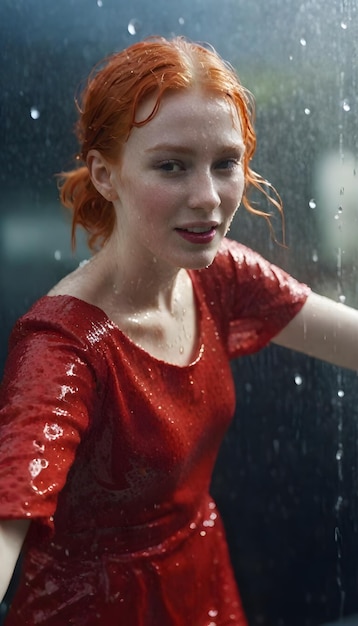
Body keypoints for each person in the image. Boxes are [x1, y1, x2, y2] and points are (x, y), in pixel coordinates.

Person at [0, 35, 357, 626]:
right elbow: (10, 507)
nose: (207, 198)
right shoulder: (63, 346)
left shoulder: (220, 276)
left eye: (226, 163)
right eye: (171, 166)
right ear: (105, 175)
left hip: (201, 581)